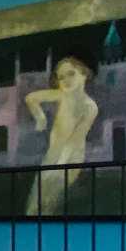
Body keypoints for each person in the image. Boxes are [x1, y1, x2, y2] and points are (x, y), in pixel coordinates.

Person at [24, 55, 98, 215]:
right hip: (51, 157)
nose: (66, 80)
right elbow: (31, 98)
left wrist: (59, 167)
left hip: (69, 160)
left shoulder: (90, 107)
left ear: (84, 74)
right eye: (61, 77)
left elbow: (74, 140)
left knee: (49, 204)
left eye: (71, 74)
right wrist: (40, 118)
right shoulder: (62, 95)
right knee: (34, 206)